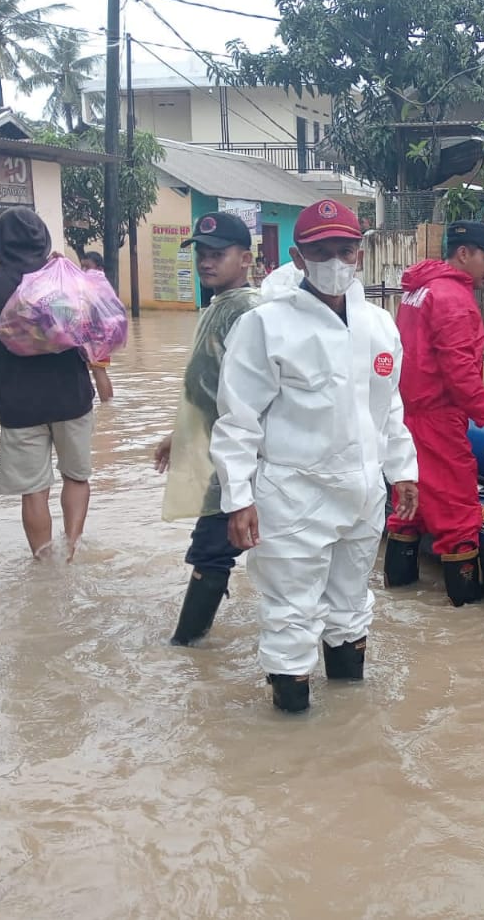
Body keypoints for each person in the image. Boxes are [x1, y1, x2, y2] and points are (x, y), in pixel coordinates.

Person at [211, 198, 419, 713]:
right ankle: (295, 744)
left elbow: (388, 405)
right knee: (290, 616)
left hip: (363, 493)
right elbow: (238, 422)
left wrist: (403, 471)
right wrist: (238, 500)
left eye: (344, 249)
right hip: (292, 496)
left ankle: (348, 734)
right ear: (298, 258)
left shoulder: (378, 325)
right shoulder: (265, 326)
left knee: (352, 608)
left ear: (360, 255)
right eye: (319, 250)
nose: (334, 261)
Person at [382, 220, 484, 606]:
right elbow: (459, 372)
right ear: (464, 253)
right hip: (438, 418)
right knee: (458, 514)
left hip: (407, 415)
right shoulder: (454, 300)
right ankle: (466, 614)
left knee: (408, 505)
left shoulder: (418, 291)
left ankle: (399, 590)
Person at [0, 209, 95, 558]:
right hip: (71, 399)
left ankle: (44, 561)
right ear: (44, 240)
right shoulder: (65, 282)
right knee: (76, 477)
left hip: (19, 407)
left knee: (34, 490)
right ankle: (73, 549)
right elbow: (96, 332)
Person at [154, 212, 261, 646]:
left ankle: (186, 649)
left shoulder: (245, 311)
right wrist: (178, 436)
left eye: (218, 254)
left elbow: (242, 397)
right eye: (201, 253)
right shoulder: (222, 307)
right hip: (226, 451)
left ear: (245, 259)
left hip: (242, 456)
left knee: (212, 551)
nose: (206, 262)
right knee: (222, 547)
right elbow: (207, 389)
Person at [76, 252, 115, 401]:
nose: (84, 270)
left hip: (94, 333)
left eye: (88, 267)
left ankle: (106, 406)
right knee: (99, 370)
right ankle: (109, 406)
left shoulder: (95, 284)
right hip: (102, 333)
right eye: (82, 266)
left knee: (98, 370)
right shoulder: (102, 284)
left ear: (98, 268)